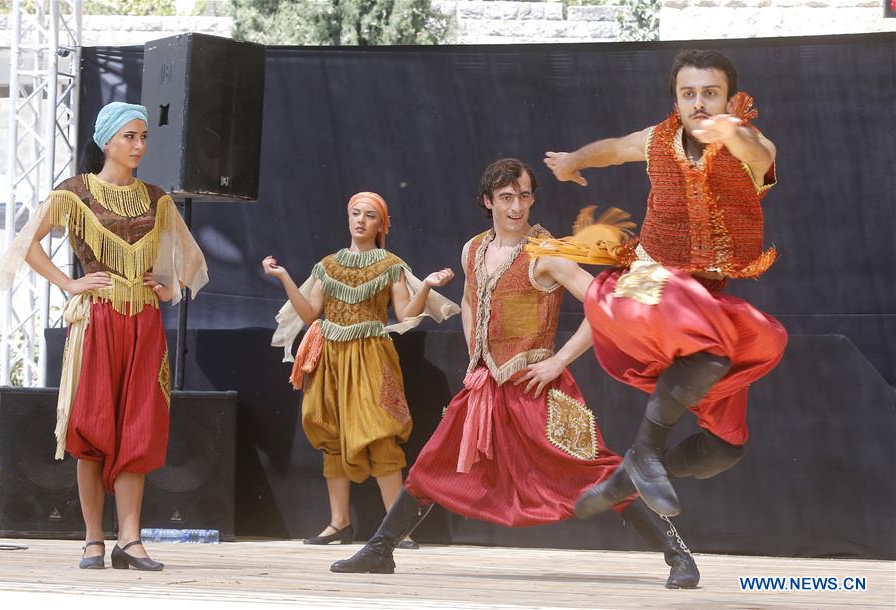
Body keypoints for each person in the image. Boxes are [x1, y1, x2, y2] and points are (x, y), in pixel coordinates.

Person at [329, 159, 700, 589]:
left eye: (524, 196)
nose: (516, 206)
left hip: (536, 387)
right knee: (432, 465)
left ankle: (677, 554)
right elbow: (470, 300)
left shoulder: (548, 253)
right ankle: (381, 549)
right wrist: (476, 354)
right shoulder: (473, 250)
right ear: (488, 201)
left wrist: (559, 361)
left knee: (598, 470)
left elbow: (604, 306)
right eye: (506, 198)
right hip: (486, 387)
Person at [541, 50, 788, 519]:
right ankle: (645, 453)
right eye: (688, 93)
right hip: (645, 288)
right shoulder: (657, 140)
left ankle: (634, 472)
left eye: (710, 94)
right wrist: (573, 160)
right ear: (676, 98)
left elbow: (759, 153)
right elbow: (613, 149)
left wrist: (733, 132)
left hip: (703, 305)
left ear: (731, 100)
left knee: (725, 444)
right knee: (711, 345)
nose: (699, 104)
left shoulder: (751, 147)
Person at [0, 102, 209, 570]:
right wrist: (70, 283)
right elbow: (26, 243)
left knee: (139, 426)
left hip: (144, 322)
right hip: (97, 319)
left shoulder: (157, 199)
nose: (139, 145)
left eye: (143, 137)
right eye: (130, 136)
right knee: (92, 427)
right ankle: (93, 539)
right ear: (107, 141)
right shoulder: (74, 193)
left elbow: (184, 262)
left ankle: (129, 540)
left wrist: (168, 285)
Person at [264, 191, 459, 548]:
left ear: (382, 224)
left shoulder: (390, 265)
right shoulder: (328, 265)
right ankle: (339, 523)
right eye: (356, 213)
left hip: (371, 355)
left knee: (381, 432)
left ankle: (396, 527)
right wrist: (283, 277)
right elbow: (310, 315)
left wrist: (427, 285)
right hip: (331, 358)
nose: (361, 220)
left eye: (370, 215)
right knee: (331, 434)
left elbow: (405, 316)